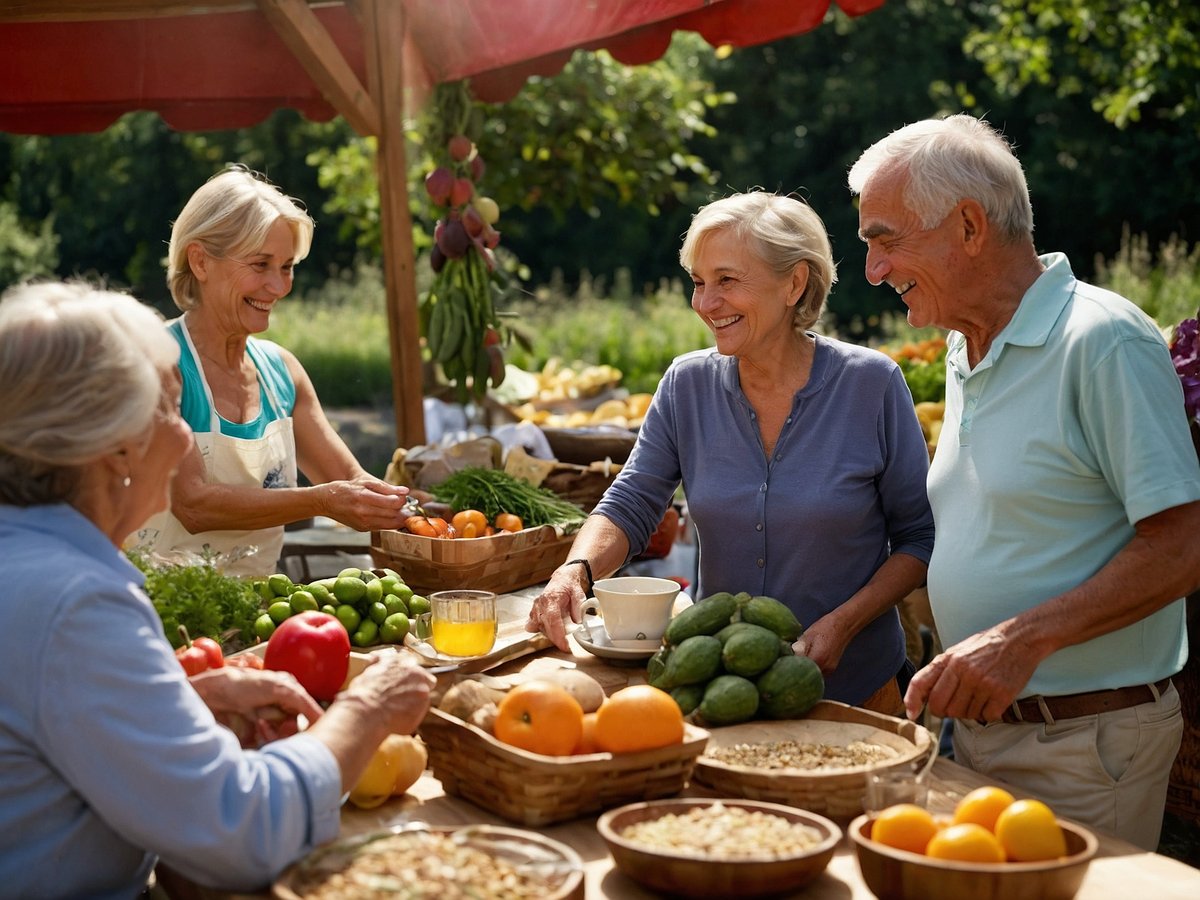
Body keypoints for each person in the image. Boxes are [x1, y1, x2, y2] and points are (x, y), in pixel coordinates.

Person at [0, 281, 435, 896]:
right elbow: (241, 832)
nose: (184, 440)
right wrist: (367, 709)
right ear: (116, 451)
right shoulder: (76, 603)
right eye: (171, 414)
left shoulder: (30, 560)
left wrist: (183, 699)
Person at [848, 113, 1200, 849]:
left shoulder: (1101, 340)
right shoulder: (962, 343)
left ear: (969, 225)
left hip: (1081, 743)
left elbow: (1184, 546)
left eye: (886, 239)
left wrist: (1016, 642)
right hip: (984, 735)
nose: (874, 270)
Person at [526, 191, 935, 711]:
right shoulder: (686, 384)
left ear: (795, 283)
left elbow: (919, 538)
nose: (704, 303)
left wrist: (845, 624)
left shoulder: (872, 385)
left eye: (726, 281)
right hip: (723, 689)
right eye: (698, 283)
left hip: (856, 691)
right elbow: (631, 503)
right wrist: (574, 571)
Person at [134, 166, 410, 576]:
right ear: (201, 261)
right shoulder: (158, 363)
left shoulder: (283, 372)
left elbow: (349, 480)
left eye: (287, 266)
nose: (279, 287)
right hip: (166, 616)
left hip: (259, 613)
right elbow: (194, 504)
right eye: (261, 265)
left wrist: (412, 506)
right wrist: (321, 500)